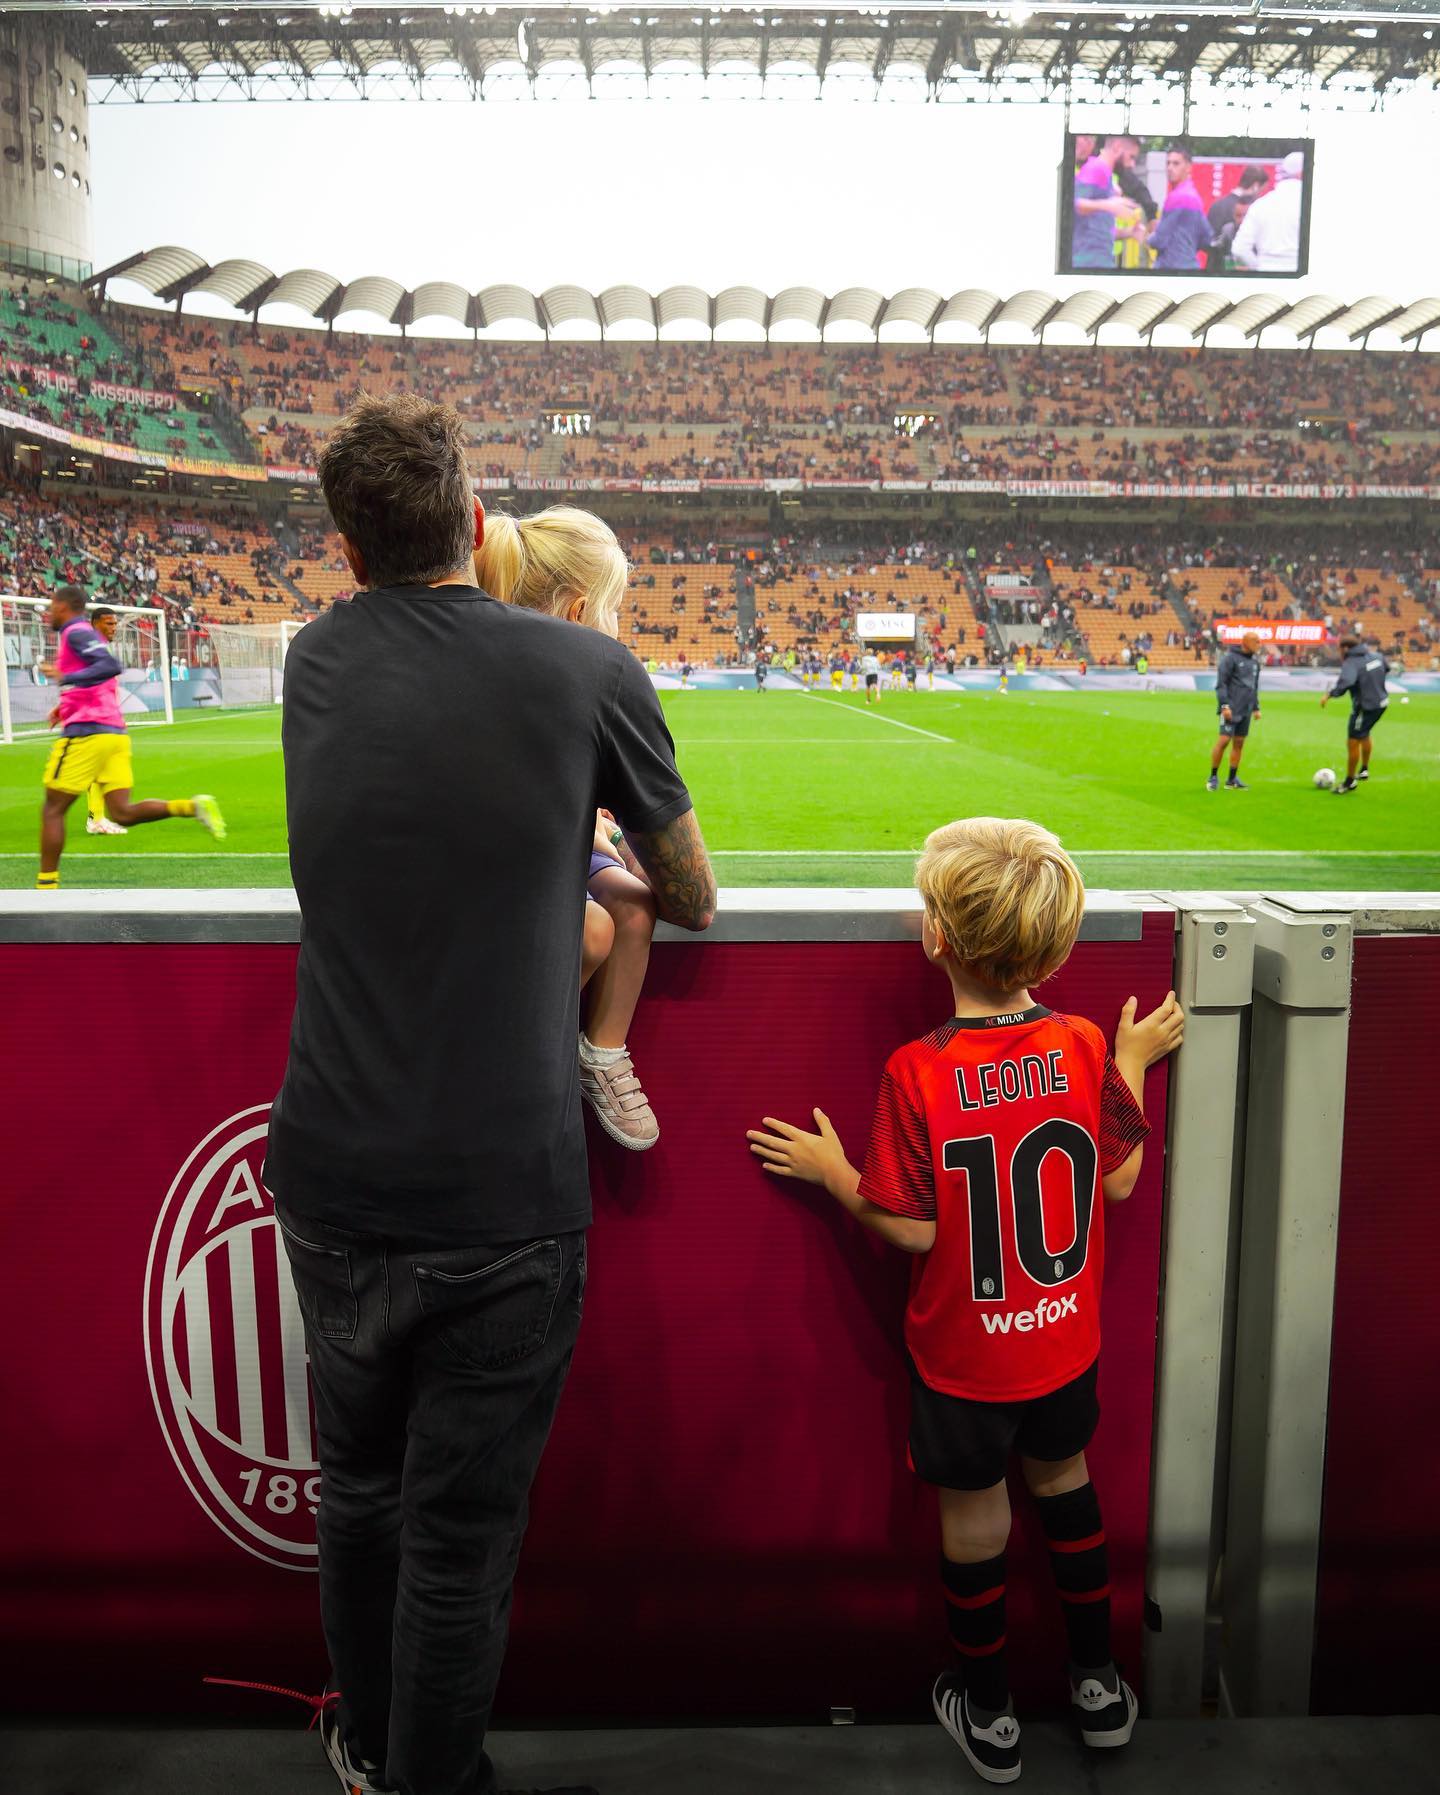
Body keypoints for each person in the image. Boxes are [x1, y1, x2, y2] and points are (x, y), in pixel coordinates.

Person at [264, 394, 715, 1795]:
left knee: (362, 1496)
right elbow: (691, 895)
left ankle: (369, 1740)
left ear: (344, 549)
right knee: (458, 1541)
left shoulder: (310, 661)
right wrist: (614, 885)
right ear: (474, 519)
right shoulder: (588, 670)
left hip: (332, 1169)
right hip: (505, 1188)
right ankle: (430, 1776)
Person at [747, 818, 1183, 1785]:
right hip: (1064, 1345)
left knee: (977, 1519)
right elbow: (1116, 1182)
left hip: (966, 1359)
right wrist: (1134, 1059)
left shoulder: (918, 1067)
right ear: (1060, 947)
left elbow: (909, 1228)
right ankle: (1101, 1686)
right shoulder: (1077, 1043)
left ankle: (989, 1712)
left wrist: (830, 1169)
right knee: (1067, 1489)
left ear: (936, 939)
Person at [474, 504, 666, 1150]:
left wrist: (613, 839)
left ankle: (602, 1053)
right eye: (614, 609)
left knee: (634, 906)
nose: (619, 627)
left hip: (567, 847)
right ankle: (523, 1049)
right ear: (579, 613)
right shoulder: (508, 680)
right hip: (516, 861)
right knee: (591, 928)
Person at [35, 586, 224, 891]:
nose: (49, 613)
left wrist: (65, 678)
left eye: (51, 606)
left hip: (87, 734)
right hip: (114, 734)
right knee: (121, 812)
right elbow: (100, 682)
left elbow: (110, 667)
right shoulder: (88, 637)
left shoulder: (75, 632)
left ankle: (45, 889)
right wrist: (65, 703)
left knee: (52, 809)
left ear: (62, 606)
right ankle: (192, 807)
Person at [1321, 634, 1389, 794]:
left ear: (1345, 648)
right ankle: (1364, 769)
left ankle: (1349, 782)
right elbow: (1386, 668)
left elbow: (1346, 682)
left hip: (1365, 707)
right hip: (1382, 702)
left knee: (1353, 741)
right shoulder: (1377, 656)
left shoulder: (1352, 662)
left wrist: (1330, 695)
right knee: (1364, 734)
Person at [1071, 135, 1145, 271]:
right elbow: (1072, 205)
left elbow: (1100, 230)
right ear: (1117, 147)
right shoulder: (1096, 168)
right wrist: (1109, 205)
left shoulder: (1105, 175)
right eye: (1131, 157)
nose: (1131, 164)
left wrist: (1130, 232)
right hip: (1087, 264)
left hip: (1098, 263)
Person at [84, 607, 127, 836]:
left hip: (104, 719)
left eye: (115, 624)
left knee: (101, 770)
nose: (114, 628)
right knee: (95, 771)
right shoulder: (88, 650)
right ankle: (95, 819)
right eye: (108, 623)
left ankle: (97, 817)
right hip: (91, 719)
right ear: (94, 623)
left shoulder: (100, 650)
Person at [1232, 150, 1305, 273]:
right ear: (1301, 174)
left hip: (1266, 272)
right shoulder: (1312, 204)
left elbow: (1239, 249)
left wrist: (1259, 266)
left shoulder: (1260, 205)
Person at [1208, 631, 1262, 790]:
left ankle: (1231, 780)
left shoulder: (1255, 664)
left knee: (1239, 743)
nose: (1259, 644)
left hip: (1245, 709)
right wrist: (1224, 705)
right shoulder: (1230, 659)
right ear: (1245, 643)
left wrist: (1256, 708)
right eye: (1256, 641)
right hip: (1230, 708)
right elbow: (1221, 683)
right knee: (1224, 740)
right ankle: (1213, 776)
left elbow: (1254, 687)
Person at [1148, 144, 1211, 272]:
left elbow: (1159, 241)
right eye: (1168, 163)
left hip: (1170, 268)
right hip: (1190, 266)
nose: (1170, 168)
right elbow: (1206, 237)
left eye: (1176, 163)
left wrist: (1146, 236)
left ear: (1188, 167)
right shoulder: (1194, 196)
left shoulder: (1176, 197)